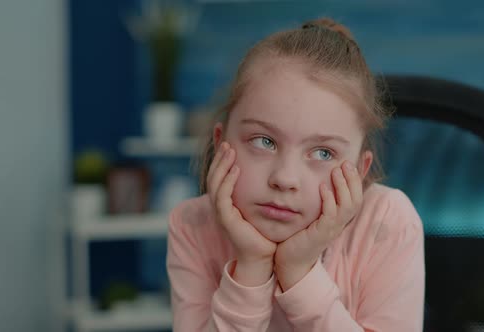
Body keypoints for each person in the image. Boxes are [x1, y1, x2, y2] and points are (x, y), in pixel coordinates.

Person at [166, 17, 425, 331]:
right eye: (264, 142)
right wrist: (250, 266)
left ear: (359, 171)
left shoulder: (388, 222)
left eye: (323, 153)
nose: (285, 179)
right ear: (220, 143)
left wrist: (299, 271)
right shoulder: (192, 225)